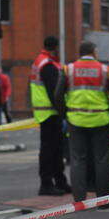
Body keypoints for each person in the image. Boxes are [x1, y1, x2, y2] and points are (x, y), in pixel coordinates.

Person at [55, 41, 109, 208]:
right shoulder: (106, 69)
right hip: (100, 120)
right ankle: (103, 201)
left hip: (76, 120)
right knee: (101, 160)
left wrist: (66, 115)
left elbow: (58, 95)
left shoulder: (68, 69)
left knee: (77, 160)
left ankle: (80, 200)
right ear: (93, 51)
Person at [30, 36, 71, 196]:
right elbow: (55, 92)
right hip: (50, 113)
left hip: (47, 112)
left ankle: (60, 182)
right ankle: (47, 184)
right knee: (50, 150)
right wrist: (64, 112)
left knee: (55, 149)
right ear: (55, 47)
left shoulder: (42, 61)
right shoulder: (47, 64)